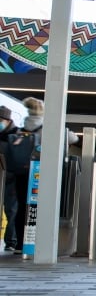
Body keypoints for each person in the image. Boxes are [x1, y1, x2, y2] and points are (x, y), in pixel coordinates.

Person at [0, 105, 19, 251]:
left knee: (11, 210)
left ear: (7, 120)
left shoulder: (16, 135)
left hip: (10, 179)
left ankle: (11, 241)